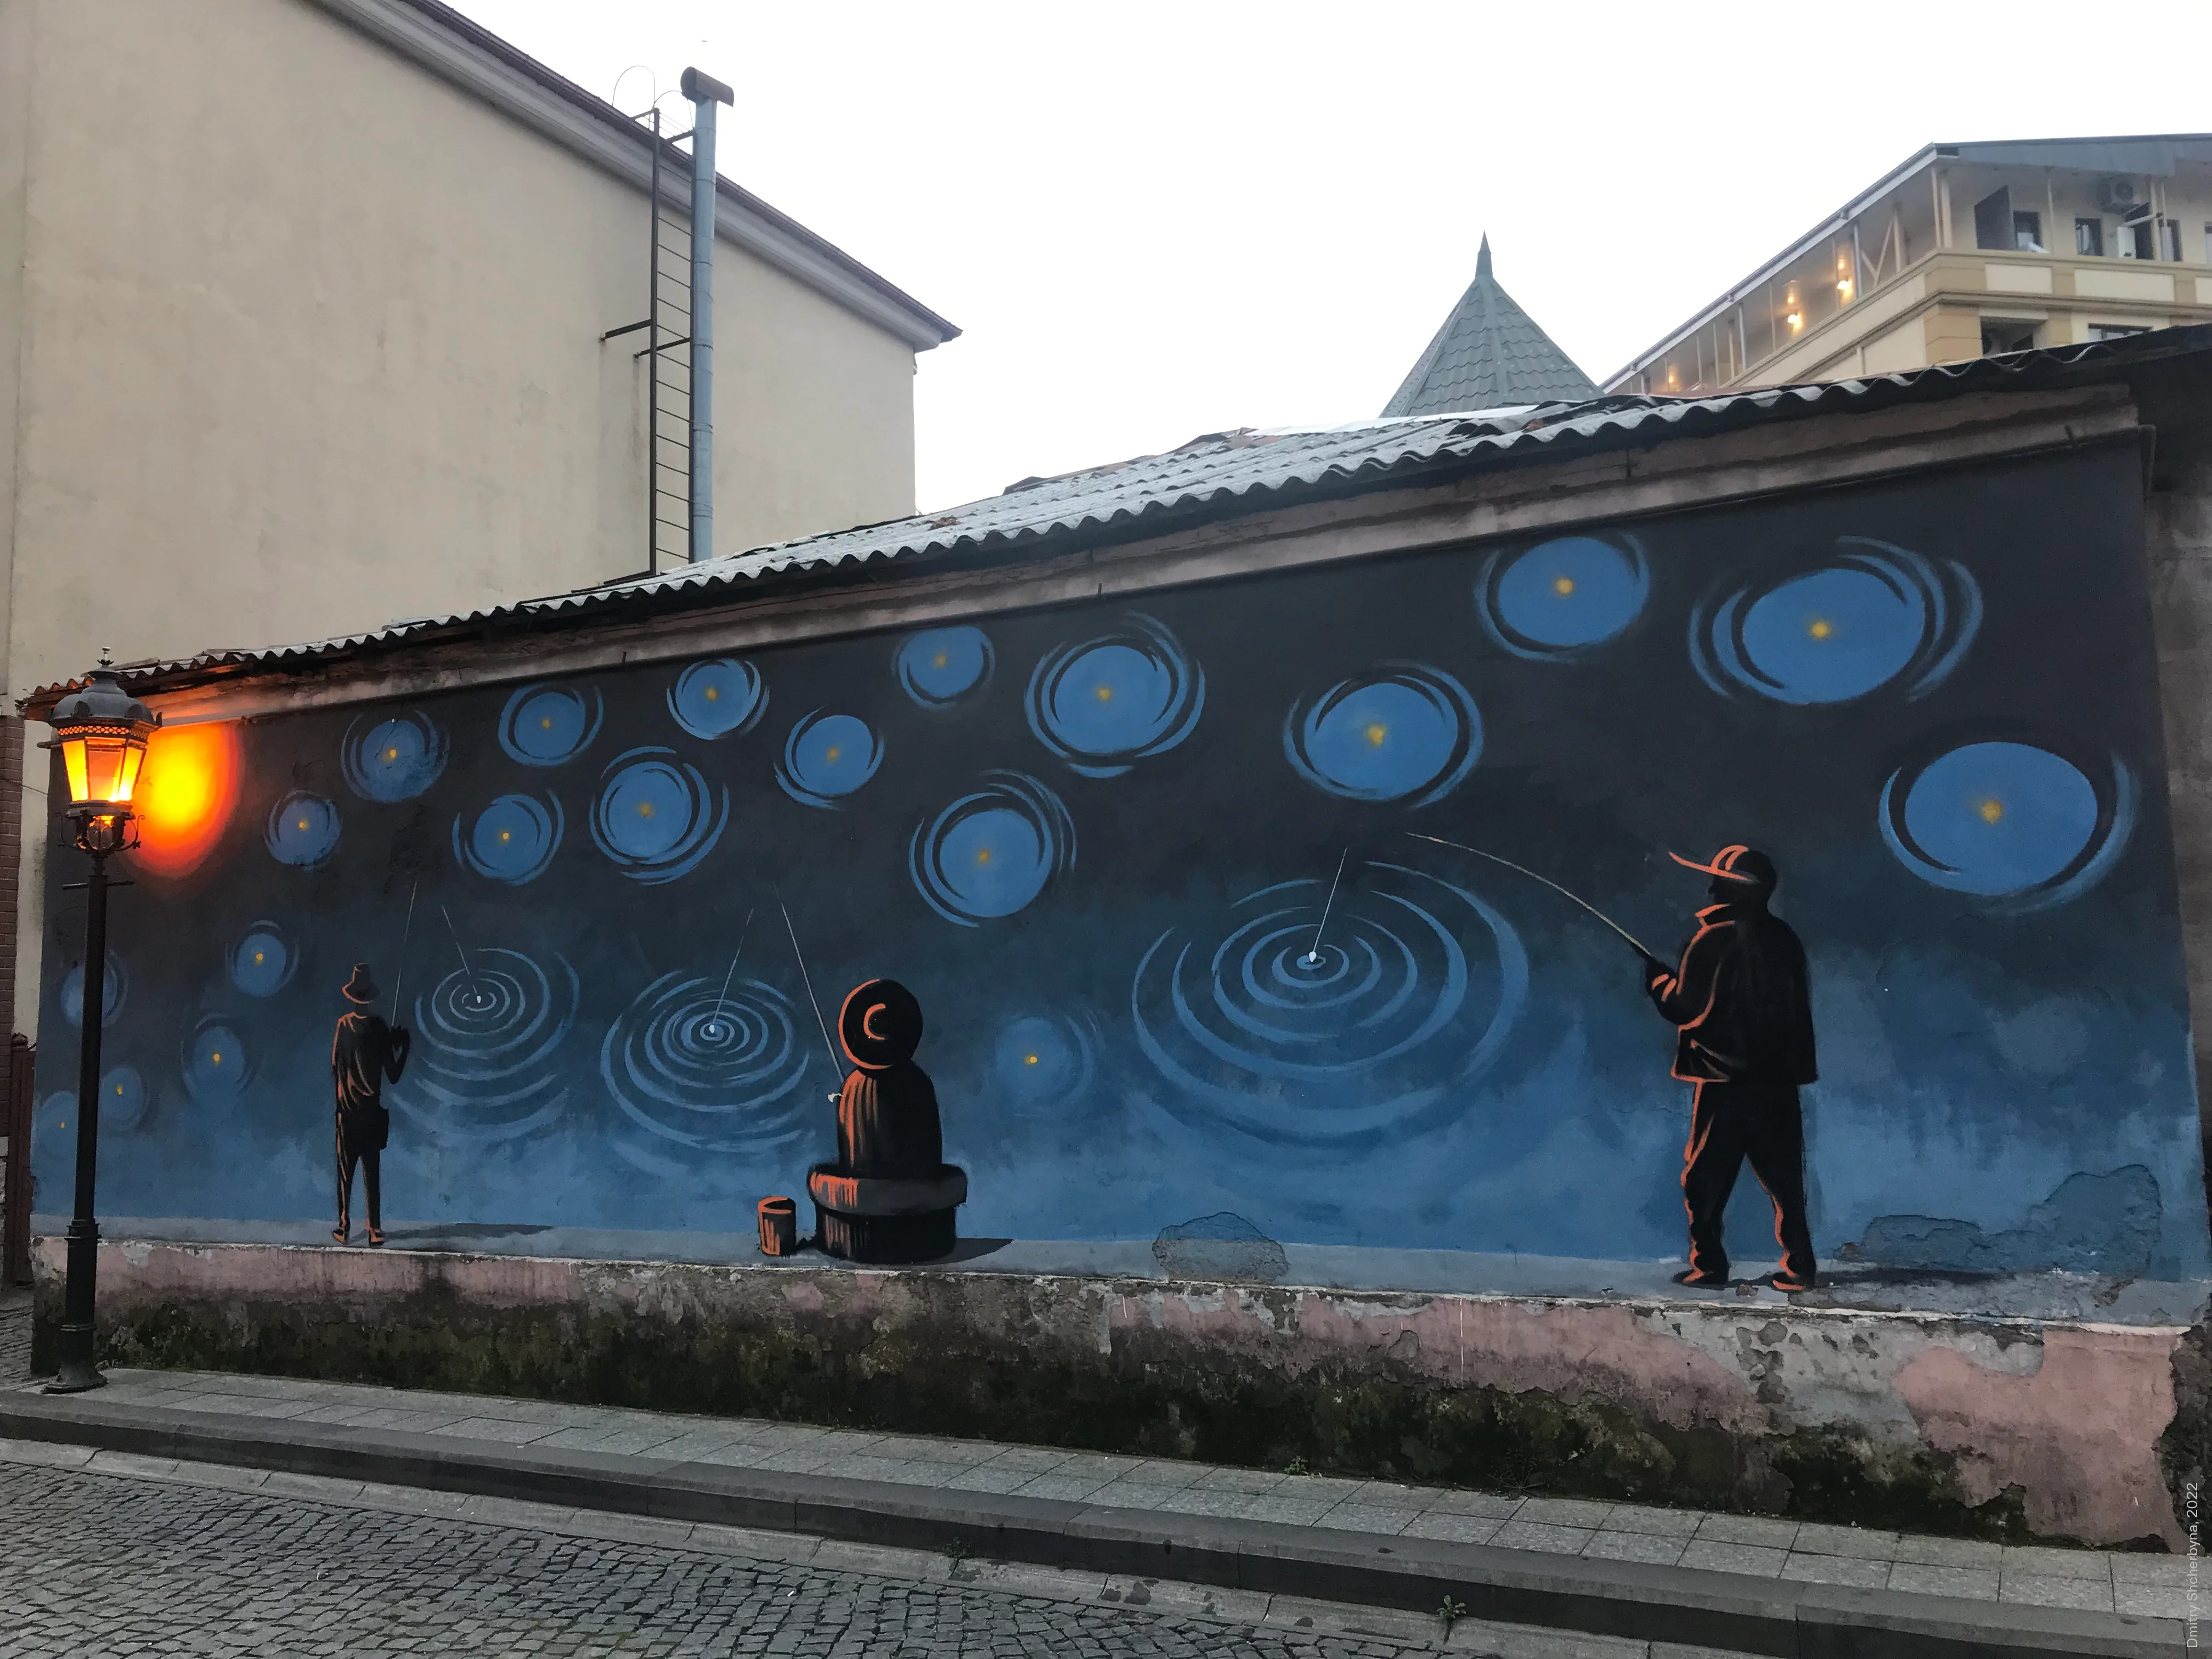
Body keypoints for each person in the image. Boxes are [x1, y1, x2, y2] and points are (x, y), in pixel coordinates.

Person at [1644, 845, 1818, 1292]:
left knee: (1704, 1179)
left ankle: (1710, 1267)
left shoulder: (1713, 940)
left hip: (1725, 1080)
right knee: (1784, 1179)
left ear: (1738, 889)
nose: (1711, 887)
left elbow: (1685, 1009)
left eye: (1719, 880)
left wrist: (1660, 985)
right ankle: (1800, 1267)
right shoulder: (1785, 939)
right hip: (1777, 1081)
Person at [331, 963, 410, 1246]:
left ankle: (343, 1226)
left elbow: (334, 1066)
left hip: (347, 1114)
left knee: (345, 1174)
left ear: (352, 996)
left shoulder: (343, 1026)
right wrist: (404, 1048)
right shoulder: (379, 1028)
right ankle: (374, 1228)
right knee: (371, 1173)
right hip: (371, 1114)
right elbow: (394, 1075)